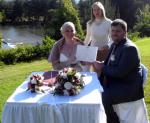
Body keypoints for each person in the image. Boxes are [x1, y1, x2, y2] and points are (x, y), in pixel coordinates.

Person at [93, 19, 149, 123]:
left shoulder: (129, 48)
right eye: (113, 30)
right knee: (95, 88)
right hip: (118, 82)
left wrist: (101, 67)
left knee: (103, 96)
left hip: (128, 87)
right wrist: (100, 63)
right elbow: (109, 62)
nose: (114, 33)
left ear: (125, 32)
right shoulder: (115, 44)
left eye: (118, 31)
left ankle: (112, 120)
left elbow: (119, 73)